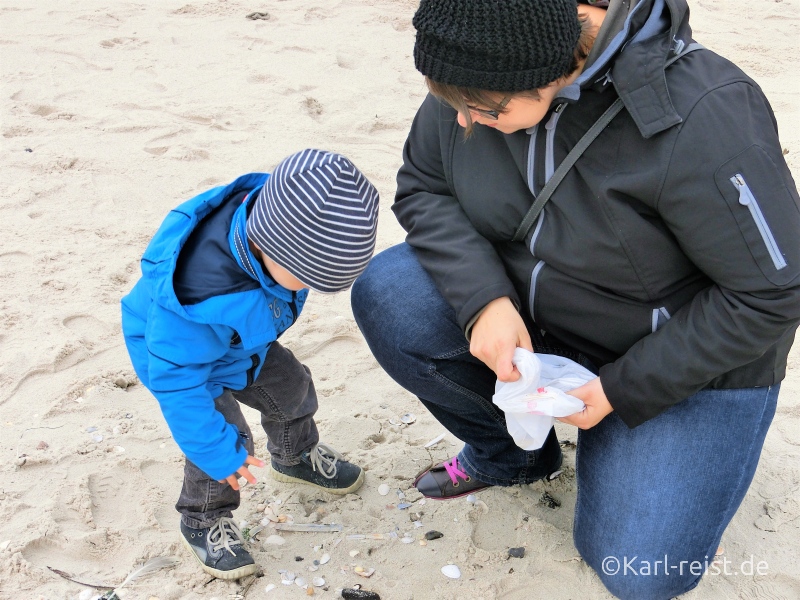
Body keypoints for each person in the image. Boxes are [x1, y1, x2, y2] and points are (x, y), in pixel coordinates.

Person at [350, 1, 800, 598]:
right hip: (536, 314)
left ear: (550, 73)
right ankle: (514, 454)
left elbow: (771, 294)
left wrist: (621, 389)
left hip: (667, 355)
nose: (462, 123)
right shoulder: (476, 59)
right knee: (390, 294)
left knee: (641, 575)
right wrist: (484, 300)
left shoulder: (705, 113)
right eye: (454, 104)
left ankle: (636, 445)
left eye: (484, 109)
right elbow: (423, 187)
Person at [121, 149, 379, 580]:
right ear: (273, 249)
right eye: (309, 277)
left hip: (239, 344)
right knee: (226, 441)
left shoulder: (275, 223)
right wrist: (219, 453)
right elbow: (178, 388)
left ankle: (294, 456)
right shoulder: (198, 297)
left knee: (292, 385)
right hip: (181, 363)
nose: (312, 287)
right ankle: (203, 519)